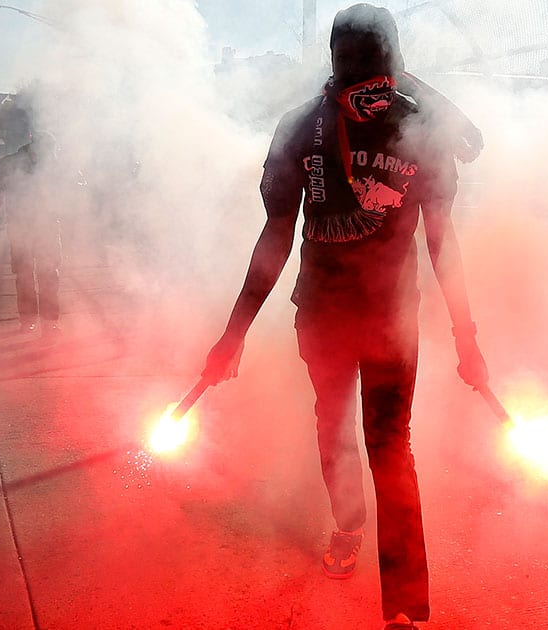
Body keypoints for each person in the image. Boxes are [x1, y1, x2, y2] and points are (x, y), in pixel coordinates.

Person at [202, 5, 488, 629]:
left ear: (392, 64)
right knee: (335, 429)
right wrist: (232, 335)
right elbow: (276, 233)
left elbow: (443, 242)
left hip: (392, 322)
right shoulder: (300, 129)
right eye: (355, 64)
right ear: (335, 61)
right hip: (325, 318)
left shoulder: (424, 131)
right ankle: (349, 524)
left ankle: (406, 608)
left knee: (390, 449)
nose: (367, 81)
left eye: (374, 65)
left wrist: (468, 340)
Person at [0, 131, 64, 334]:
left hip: (47, 225)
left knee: (49, 273)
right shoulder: (13, 163)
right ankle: (28, 319)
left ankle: (49, 320)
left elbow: (69, 189)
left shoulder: (53, 165)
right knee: (24, 274)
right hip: (21, 224)